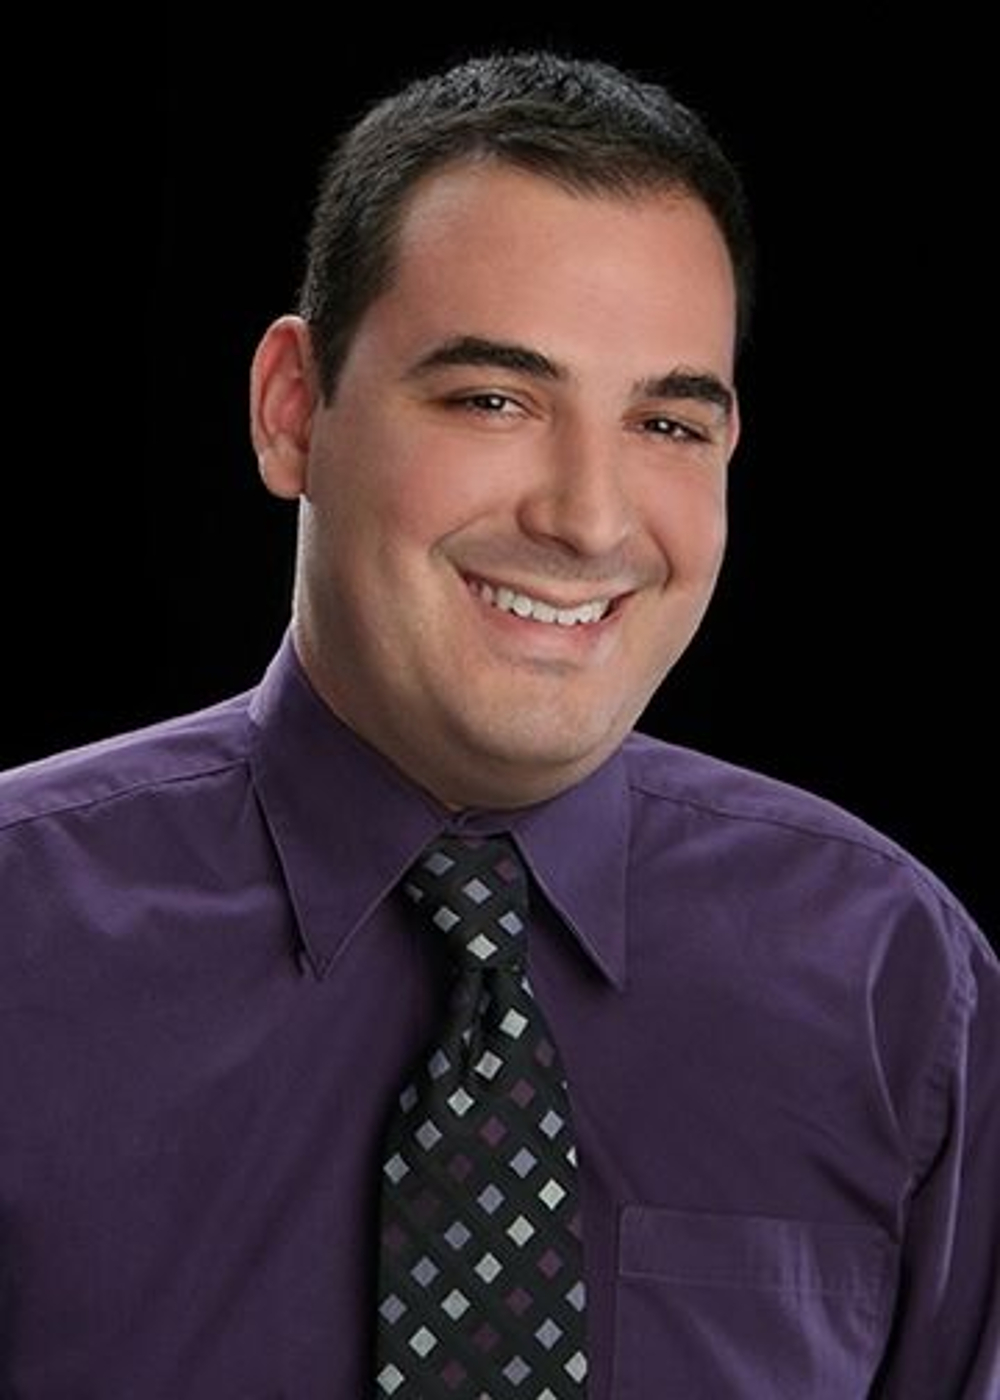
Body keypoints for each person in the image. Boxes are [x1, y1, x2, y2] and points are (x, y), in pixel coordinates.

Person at [0, 48, 996, 1400]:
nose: (588, 517)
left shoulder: (897, 985)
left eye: (667, 423)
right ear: (293, 411)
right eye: (493, 400)